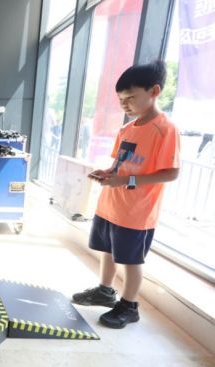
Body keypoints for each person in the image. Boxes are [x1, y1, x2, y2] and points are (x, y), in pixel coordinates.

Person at [72, 60, 180, 329]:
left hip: (136, 213)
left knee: (131, 260)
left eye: (130, 97)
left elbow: (171, 173)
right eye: (121, 99)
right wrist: (108, 173)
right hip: (111, 205)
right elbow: (119, 165)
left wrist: (126, 180)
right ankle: (104, 290)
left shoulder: (165, 129)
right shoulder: (126, 130)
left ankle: (129, 306)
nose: (125, 104)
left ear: (154, 91)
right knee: (107, 251)